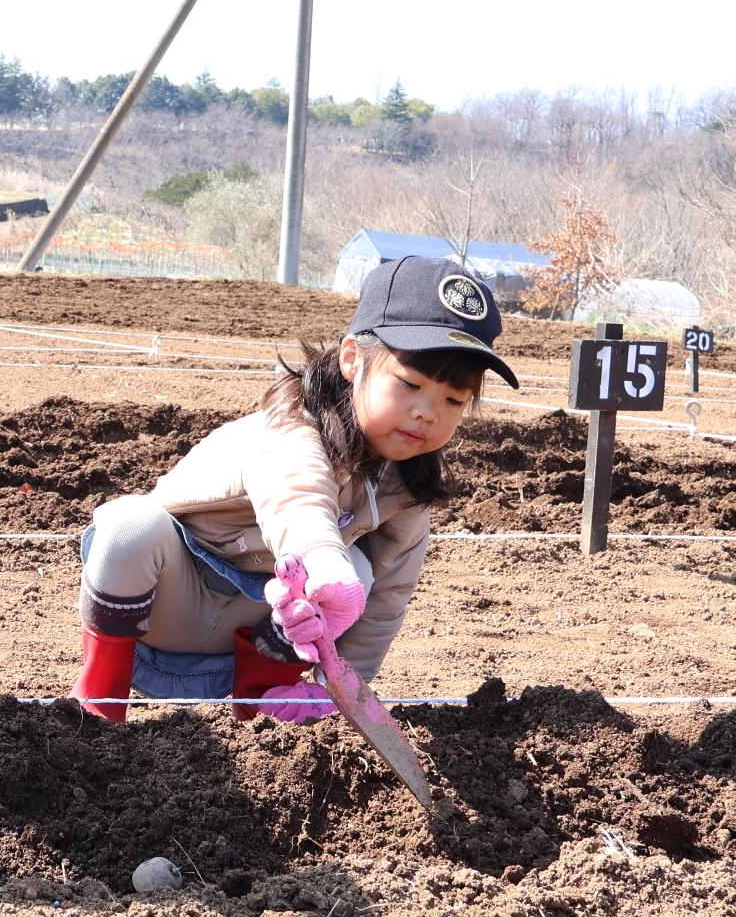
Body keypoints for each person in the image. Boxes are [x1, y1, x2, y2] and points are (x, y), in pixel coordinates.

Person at [70, 256, 518, 722]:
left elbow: (388, 600)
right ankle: (101, 708)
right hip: (164, 609)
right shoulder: (291, 426)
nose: (427, 412)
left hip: (261, 633)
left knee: (362, 574)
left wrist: (345, 692)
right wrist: (325, 562)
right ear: (352, 360)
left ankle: (262, 714)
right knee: (129, 526)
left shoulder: (407, 488)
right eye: (408, 384)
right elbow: (297, 496)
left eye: (453, 400)